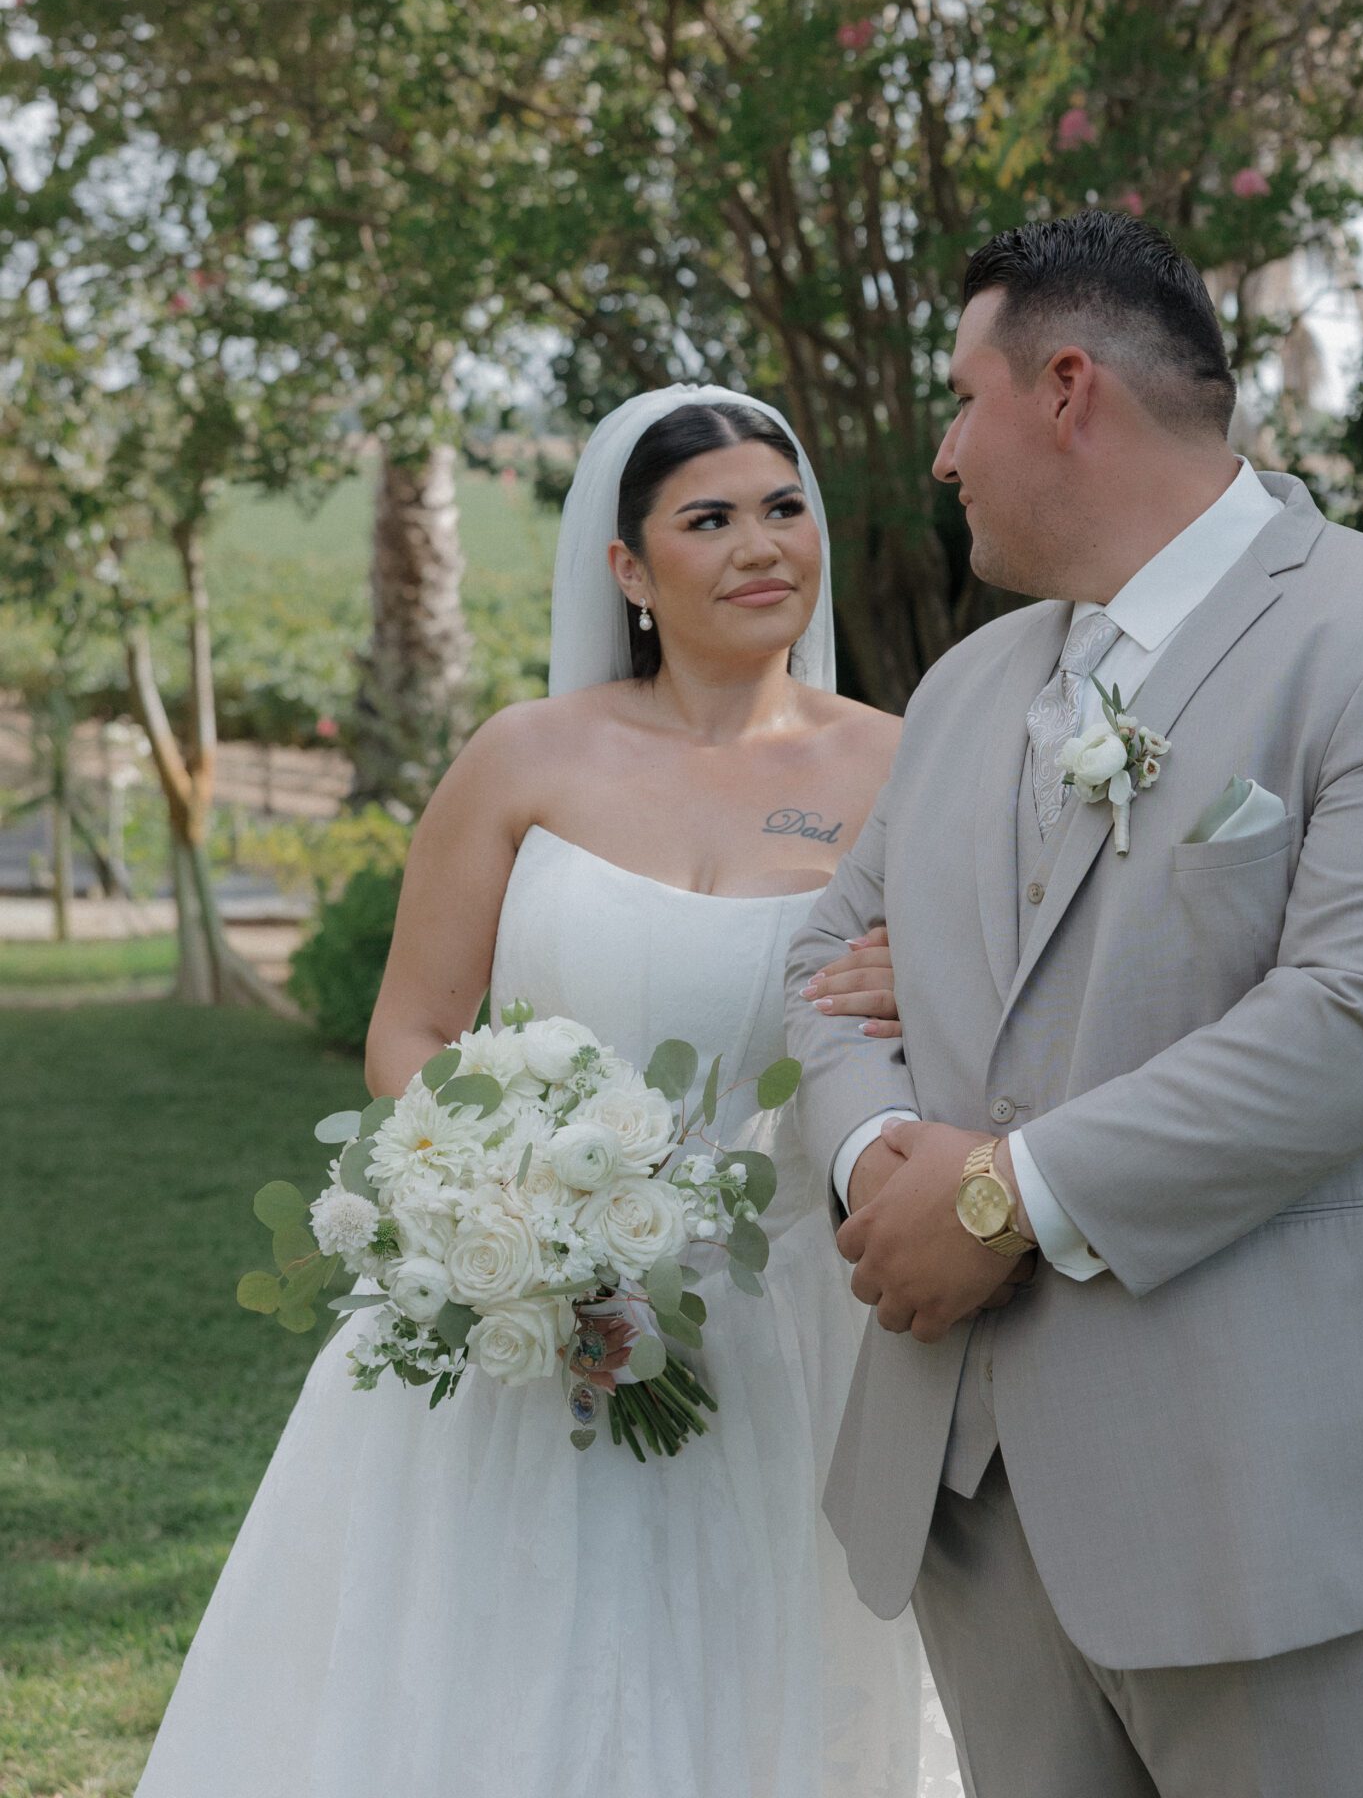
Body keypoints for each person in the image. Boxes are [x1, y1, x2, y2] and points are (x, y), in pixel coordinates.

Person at [785, 211, 1363, 1798]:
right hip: (982, 1502)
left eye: (959, 398)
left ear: (1065, 389)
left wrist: (998, 1196)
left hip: (1294, 1499)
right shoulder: (961, 690)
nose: (941, 453)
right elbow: (827, 965)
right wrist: (876, 1155)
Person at [136, 387, 962, 1798]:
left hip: (792, 1320)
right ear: (629, 570)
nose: (762, 546)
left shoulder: (902, 767)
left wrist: (932, 990)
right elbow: (412, 1031)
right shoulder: (521, 759)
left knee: (770, 1672)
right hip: (526, 1320)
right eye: (709, 519)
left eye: (783, 510)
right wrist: (511, 1230)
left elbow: (971, 1016)